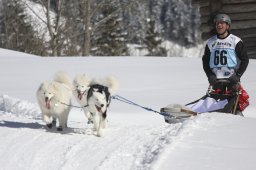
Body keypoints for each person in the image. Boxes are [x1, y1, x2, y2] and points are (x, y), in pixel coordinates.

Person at [202, 13, 249, 89]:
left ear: (227, 25)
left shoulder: (236, 41)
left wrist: (238, 75)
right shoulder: (210, 42)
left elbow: (245, 59)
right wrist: (210, 75)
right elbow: (205, 61)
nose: (219, 25)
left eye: (222, 23)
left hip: (232, 81)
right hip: (215, 81)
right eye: (217, 23)